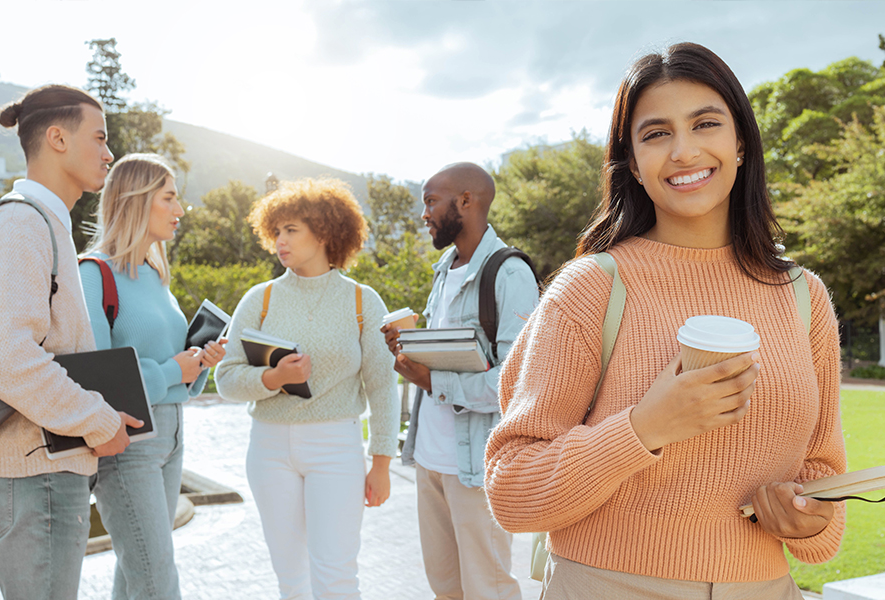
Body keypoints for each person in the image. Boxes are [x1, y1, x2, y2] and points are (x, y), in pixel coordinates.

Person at [483, 42, 846, 599]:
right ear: (632, 161)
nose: (683, 150)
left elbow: (824, 487)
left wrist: (809, 519)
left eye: (705, 123)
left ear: (741, 142)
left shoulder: (803, 296)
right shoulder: (590, 289)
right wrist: (645, 426)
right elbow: (513, 491)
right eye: (656, 133)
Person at [0, 85, 141, 600]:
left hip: (46, 470)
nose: (108, 153)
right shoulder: (20, 224)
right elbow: (7, 357)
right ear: (56, 138)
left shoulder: (44, 224)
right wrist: (96, 419)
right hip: (37, 474)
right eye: (98, 138)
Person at [215, 177, 399, 600]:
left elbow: (382, 386)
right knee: (291, 579)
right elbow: (225, 378)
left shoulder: (362, 301)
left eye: (291, 230)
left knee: (335, 575)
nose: (280, 240)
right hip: (269, 448)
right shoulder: (259, 299)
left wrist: (382, 463)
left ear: (325, 232)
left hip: (337, 445)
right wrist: (273, 379)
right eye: (276, 230)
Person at [381, 162, 538, 600]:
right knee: (445, 588)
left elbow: (515, 385)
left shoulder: (510, 274)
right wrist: (410, 349)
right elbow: (450, 354)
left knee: (487, 589)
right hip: (430, 460)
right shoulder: (443, 269)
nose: (425, 213)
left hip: (475, 469)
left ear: (466, 202)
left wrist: (433, 380)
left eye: (431, 201)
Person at [79, 153, 227, 599]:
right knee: (156, 579)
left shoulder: (155, 274)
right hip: (129, 445)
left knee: (136, 574)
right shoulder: (94, 273)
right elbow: (96, 380)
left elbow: (172, 365)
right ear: (137, 201)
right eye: (169, 198)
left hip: (173, 435)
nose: (180, 210)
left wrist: (198, 362)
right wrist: (171, 370)